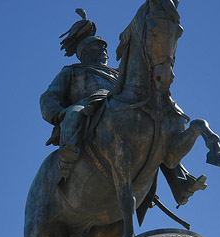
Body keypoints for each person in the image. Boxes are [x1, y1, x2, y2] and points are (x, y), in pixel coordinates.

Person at [40, 8, 207, 207]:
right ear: (84, 53)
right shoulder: (72, 73)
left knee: (158, 129)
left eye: (104, 47)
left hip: (118, 109)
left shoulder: (119, 74)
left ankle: (180, 181)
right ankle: (68, 156)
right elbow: (48, 97)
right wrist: (59, 113)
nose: (103, 50)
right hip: (88, 109)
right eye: (96, 47)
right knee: (75, 113)